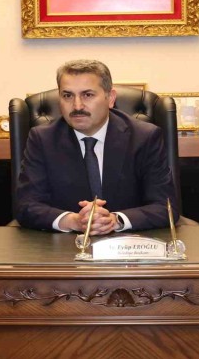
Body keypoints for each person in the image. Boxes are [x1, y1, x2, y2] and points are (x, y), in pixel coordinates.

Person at [14, 59, 179, 235]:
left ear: (111, 98)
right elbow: (26, 206)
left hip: (128, 244)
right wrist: (72, 221)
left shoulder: (144, 137)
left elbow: (165, 206)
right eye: (68, 96)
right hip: (63, 245)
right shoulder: (42, 139)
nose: (77, 106)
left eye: (88, 95)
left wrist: (115, 220)